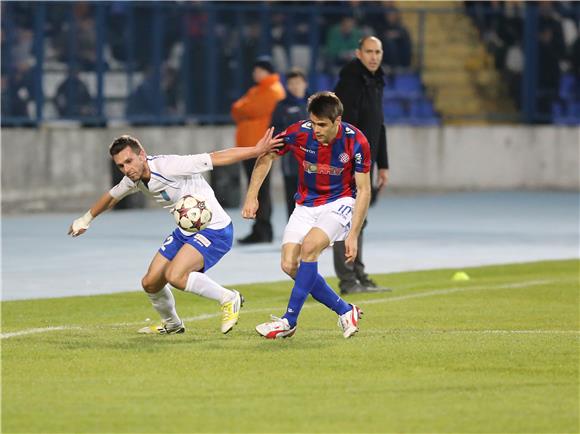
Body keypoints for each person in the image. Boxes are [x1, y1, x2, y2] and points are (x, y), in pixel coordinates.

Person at [68, 129, 283, 335]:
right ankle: (172, 324)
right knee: (150, 283)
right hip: (185, 231)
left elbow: (215, 157)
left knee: (176, 276)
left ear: (142, 155)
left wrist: (255, 151)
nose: (126, 169)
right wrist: (85, 219)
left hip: (215, 230)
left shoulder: (170, 166)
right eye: (121, 166)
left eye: (129, 161)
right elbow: (111, 196)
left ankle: (229, 298)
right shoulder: (132, 179)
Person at [242, 91, 371, 339]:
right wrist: (251, 195)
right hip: (306, 205)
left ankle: (288, 320)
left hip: (340, 201)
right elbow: (267, 154)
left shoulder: (357, 142)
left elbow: (364, 189)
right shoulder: (299, 132)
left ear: (338, 121)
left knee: (309, 248)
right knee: (290, 265)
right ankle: (345, 310)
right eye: (313, 123)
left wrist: (353, 234)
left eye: (322, 125)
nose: (316, 130)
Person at [332, 36, 391, 295]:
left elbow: (378, 124)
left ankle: (357, 273)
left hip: (366, 163)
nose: (374, 56)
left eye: (378, 51)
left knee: (360, 219)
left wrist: (383, 164)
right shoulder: (350, 81)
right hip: (349, 163)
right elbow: (344, 127)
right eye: (369, 51)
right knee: (347, 219)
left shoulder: (375, 80)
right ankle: (348, 280)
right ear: (358, 53)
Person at [231, 56, 286, 244]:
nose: (254, 73)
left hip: (260, 146)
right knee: (256, 189)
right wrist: (242, 109)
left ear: (265, 71)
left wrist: (242, 109)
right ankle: (259, 228)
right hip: (251, 145)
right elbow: (238, 109)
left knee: (260, 189)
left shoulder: (272, 91)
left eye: (258, 69)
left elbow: (246, 109)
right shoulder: (259, 89)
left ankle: (263, 229)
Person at [271, 67, 309, 218]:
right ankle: (294, 233)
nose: (295, 86)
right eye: (291, 83)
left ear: (305, 83)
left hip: (316, 162)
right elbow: (276, 131)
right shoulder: (282, 106)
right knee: (293, 198)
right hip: (291, 161)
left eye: (298, 82)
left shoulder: (315, 103)